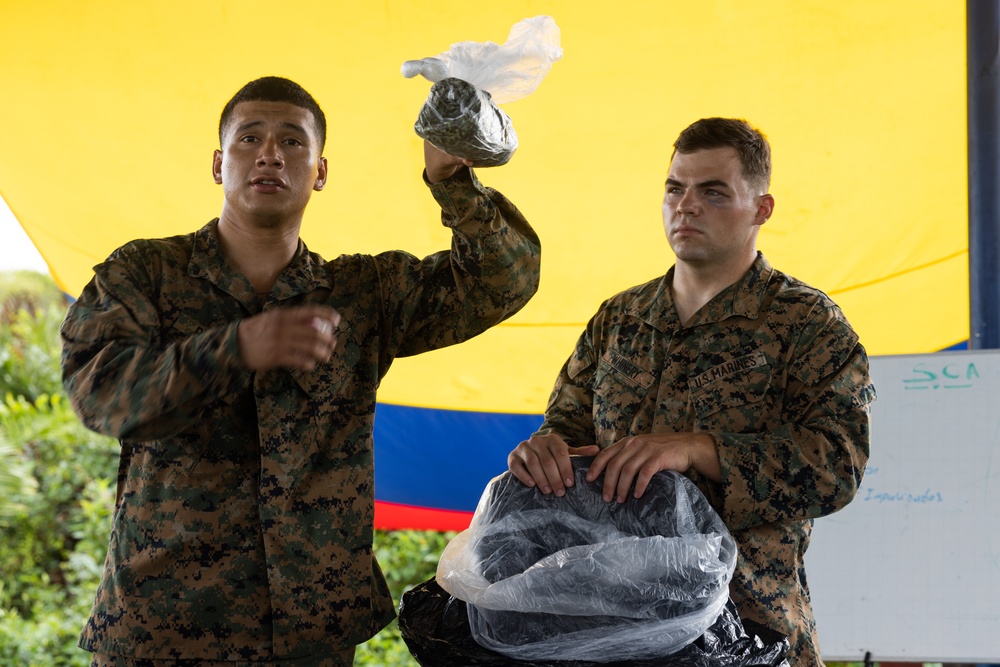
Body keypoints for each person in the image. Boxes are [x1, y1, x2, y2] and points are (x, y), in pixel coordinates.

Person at [61, 76, 541, 667]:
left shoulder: (362, 295)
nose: (269, 154)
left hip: (308, 636)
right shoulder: (146, 273)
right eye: (249, 139)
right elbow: (100, 393)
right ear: (219, 163)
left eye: (293, 142)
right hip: (165, 625)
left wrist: (452, 180)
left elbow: (504, 280)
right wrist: (232, 348)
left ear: (319, 172)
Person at [507, 117, 874, 666]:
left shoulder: (806, 323)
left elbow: (837, 465)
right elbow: (566, 428)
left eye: (713, 192)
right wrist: (546, 451)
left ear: (761, 209)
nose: (686, 206)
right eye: (674, 189)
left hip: (749, 631)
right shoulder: (619, 319)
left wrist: (698, 449)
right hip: (611, 629)